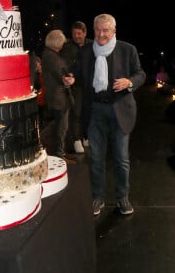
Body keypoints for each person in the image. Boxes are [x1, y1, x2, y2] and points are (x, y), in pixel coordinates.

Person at [63, 13, 146, 216]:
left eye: (106, 30)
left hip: (121, 110)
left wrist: (129, 82)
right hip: (95, 111)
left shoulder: (127, 49)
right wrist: (70, 78)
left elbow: (141, 74)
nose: (101, 34)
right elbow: (74, 72)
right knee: (97, 159)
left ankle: (122, 198)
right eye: (98, 30)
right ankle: (98, 198)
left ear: (114, 31)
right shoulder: (86, 52)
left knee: (121, 159)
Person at [42, 29, 77, 164]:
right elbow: (62, 75)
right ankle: (60, 155)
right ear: (57, 43)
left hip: (57, 98)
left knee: (61, 127)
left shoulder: (48, 55)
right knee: (61, 128)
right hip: (58, 99)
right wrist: (70, 77)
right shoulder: (52, 56)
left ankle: (61, 153)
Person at [61, 20, 92, 154]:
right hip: (76, 85)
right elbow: (64, 65)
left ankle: (86, 136)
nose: (76, 36)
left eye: (79, 33)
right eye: (74, 33)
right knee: (77, 113)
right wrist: (69, 75)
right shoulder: (67, 47)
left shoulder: (92, 44)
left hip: (90, 85)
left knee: (88, 112)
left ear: (85, 33)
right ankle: (76, 140)